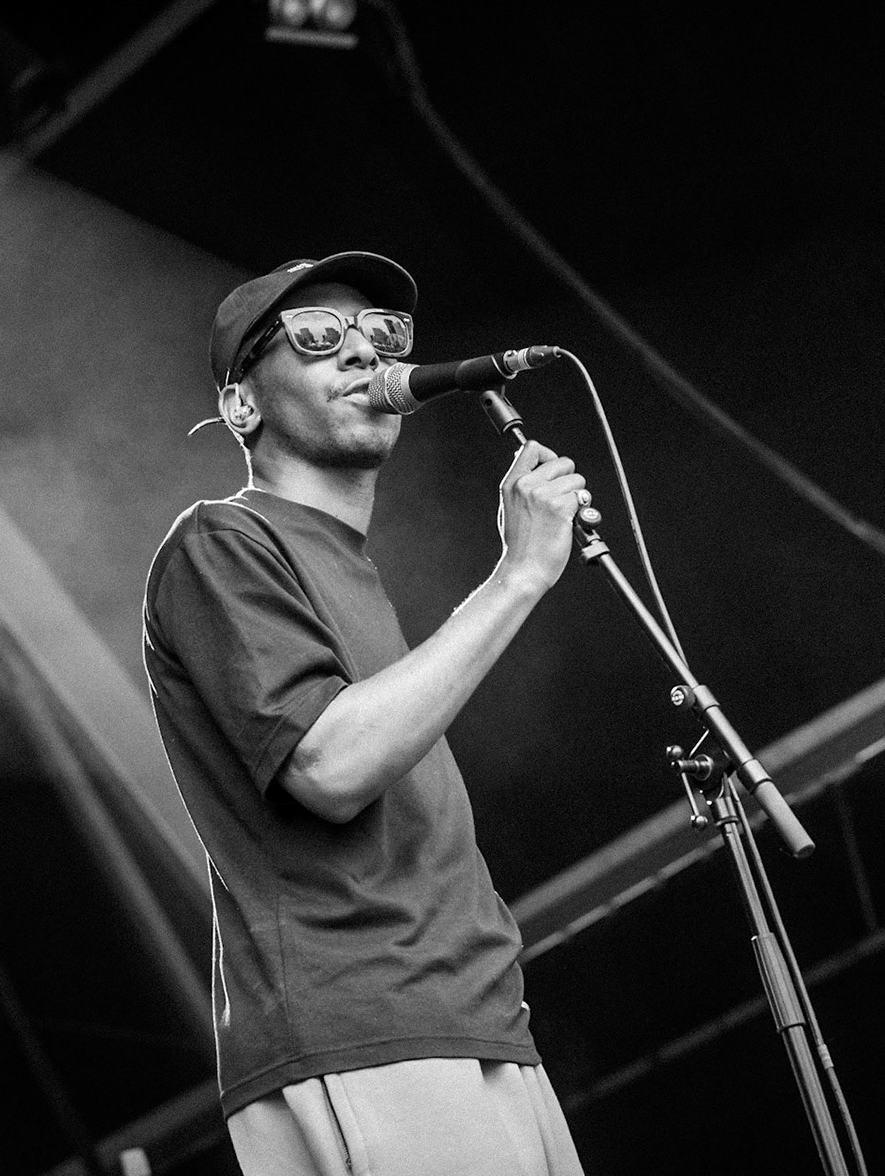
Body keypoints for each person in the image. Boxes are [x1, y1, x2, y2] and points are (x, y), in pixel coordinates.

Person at [142, 252, 589, 1176]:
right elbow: (331, 770)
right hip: (368, 1027)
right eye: (316, 338)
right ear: (241, 405)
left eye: (382, 335)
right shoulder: (223, 540)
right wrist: (518, 577)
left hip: (474, 1020)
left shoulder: (350, 566)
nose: (361, 353)